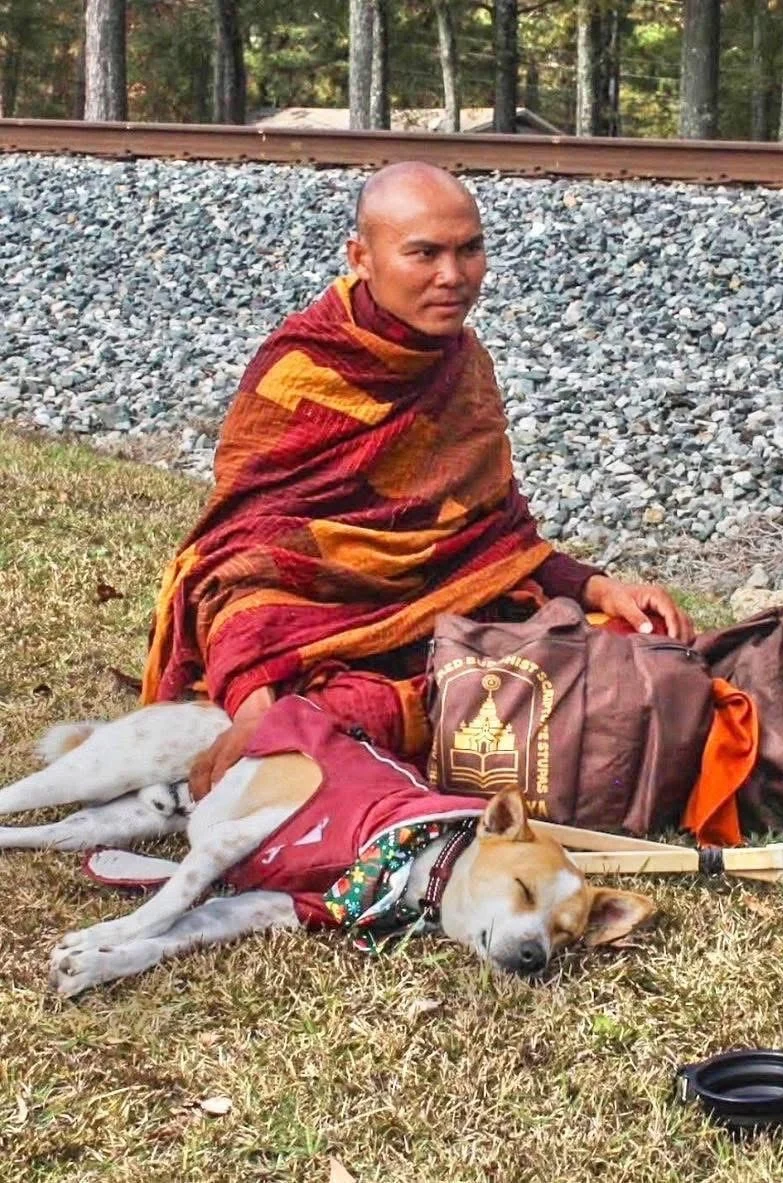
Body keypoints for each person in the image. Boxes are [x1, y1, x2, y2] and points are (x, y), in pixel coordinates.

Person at [141, 162, 693, 796]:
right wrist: (253, 700)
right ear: (362, 257)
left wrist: (599, 588)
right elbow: (241, 556)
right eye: (423, 253)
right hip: (310, 616)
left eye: (470, 250)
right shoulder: (303, 367)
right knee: (272, 634)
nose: (453, 277)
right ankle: (295, 717)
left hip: (438, 612)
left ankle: (344, 722)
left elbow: (494, 538)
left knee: (618, 650)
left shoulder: (463, 365)